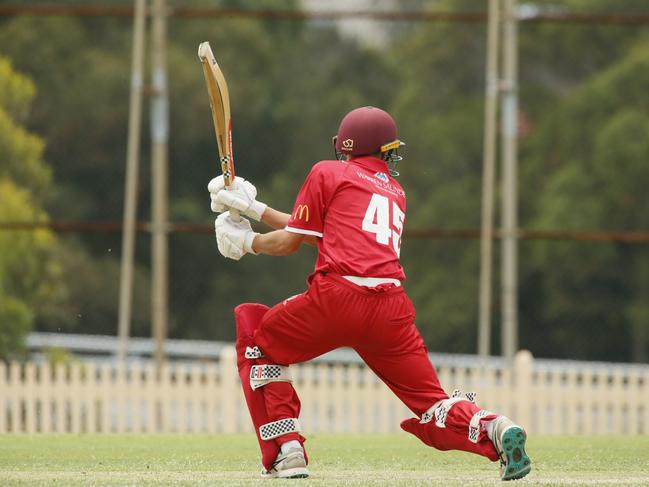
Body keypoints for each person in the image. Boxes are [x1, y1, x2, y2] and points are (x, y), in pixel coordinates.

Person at [207, 106, 531, 481]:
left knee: (259, 341)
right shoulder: (396, 192)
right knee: (431, 403)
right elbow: (323, 232)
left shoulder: (327, 171)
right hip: (390, 309)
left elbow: (290, 243)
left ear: (344, 145)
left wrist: (248, 242)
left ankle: (287, 450)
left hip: (338, 297)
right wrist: (253, 208)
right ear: (384, 151)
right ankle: (493, 427)